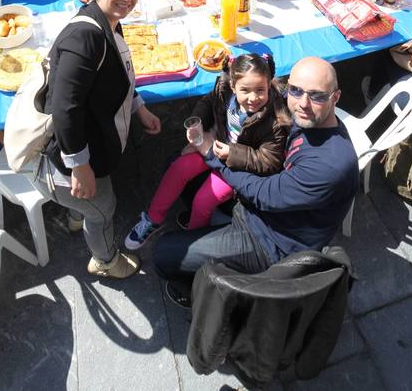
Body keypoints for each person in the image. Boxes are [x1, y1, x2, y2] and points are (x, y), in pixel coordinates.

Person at [153, 56, 359, 307]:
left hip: (271, 239)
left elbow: (264, 195)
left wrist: (211, 155)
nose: (303, 103)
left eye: (317, 96)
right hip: (262, 201)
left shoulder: (329, 165)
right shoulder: (298, 110)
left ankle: (199, 291)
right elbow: (232, 92)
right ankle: (209, 235)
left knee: (163, 254)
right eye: (295, 90)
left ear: (335, 97)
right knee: (175, 168)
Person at [37, 0, 162, 280]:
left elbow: (115, 75)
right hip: (66, 157)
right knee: (103, 209)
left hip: (89, 140)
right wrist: (80, 167)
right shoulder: (86, 36)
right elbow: (65, 109)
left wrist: (139, 107)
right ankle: (105, 260)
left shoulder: (107, 22)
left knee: (88, 202)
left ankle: (77, 214)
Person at [125, 53, 291, 248]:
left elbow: (269, 161)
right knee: (179, 168)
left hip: (239, 168)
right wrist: (198, 124)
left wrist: (232, 153)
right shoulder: (223, 90)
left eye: (260, 90)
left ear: (269, 84)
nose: (253, 98)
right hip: (216, 145)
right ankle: (153, 218)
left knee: (204, 200)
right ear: (233, 86)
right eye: (245, 90)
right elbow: (207, 102)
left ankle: (192, 240)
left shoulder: (276, 121)